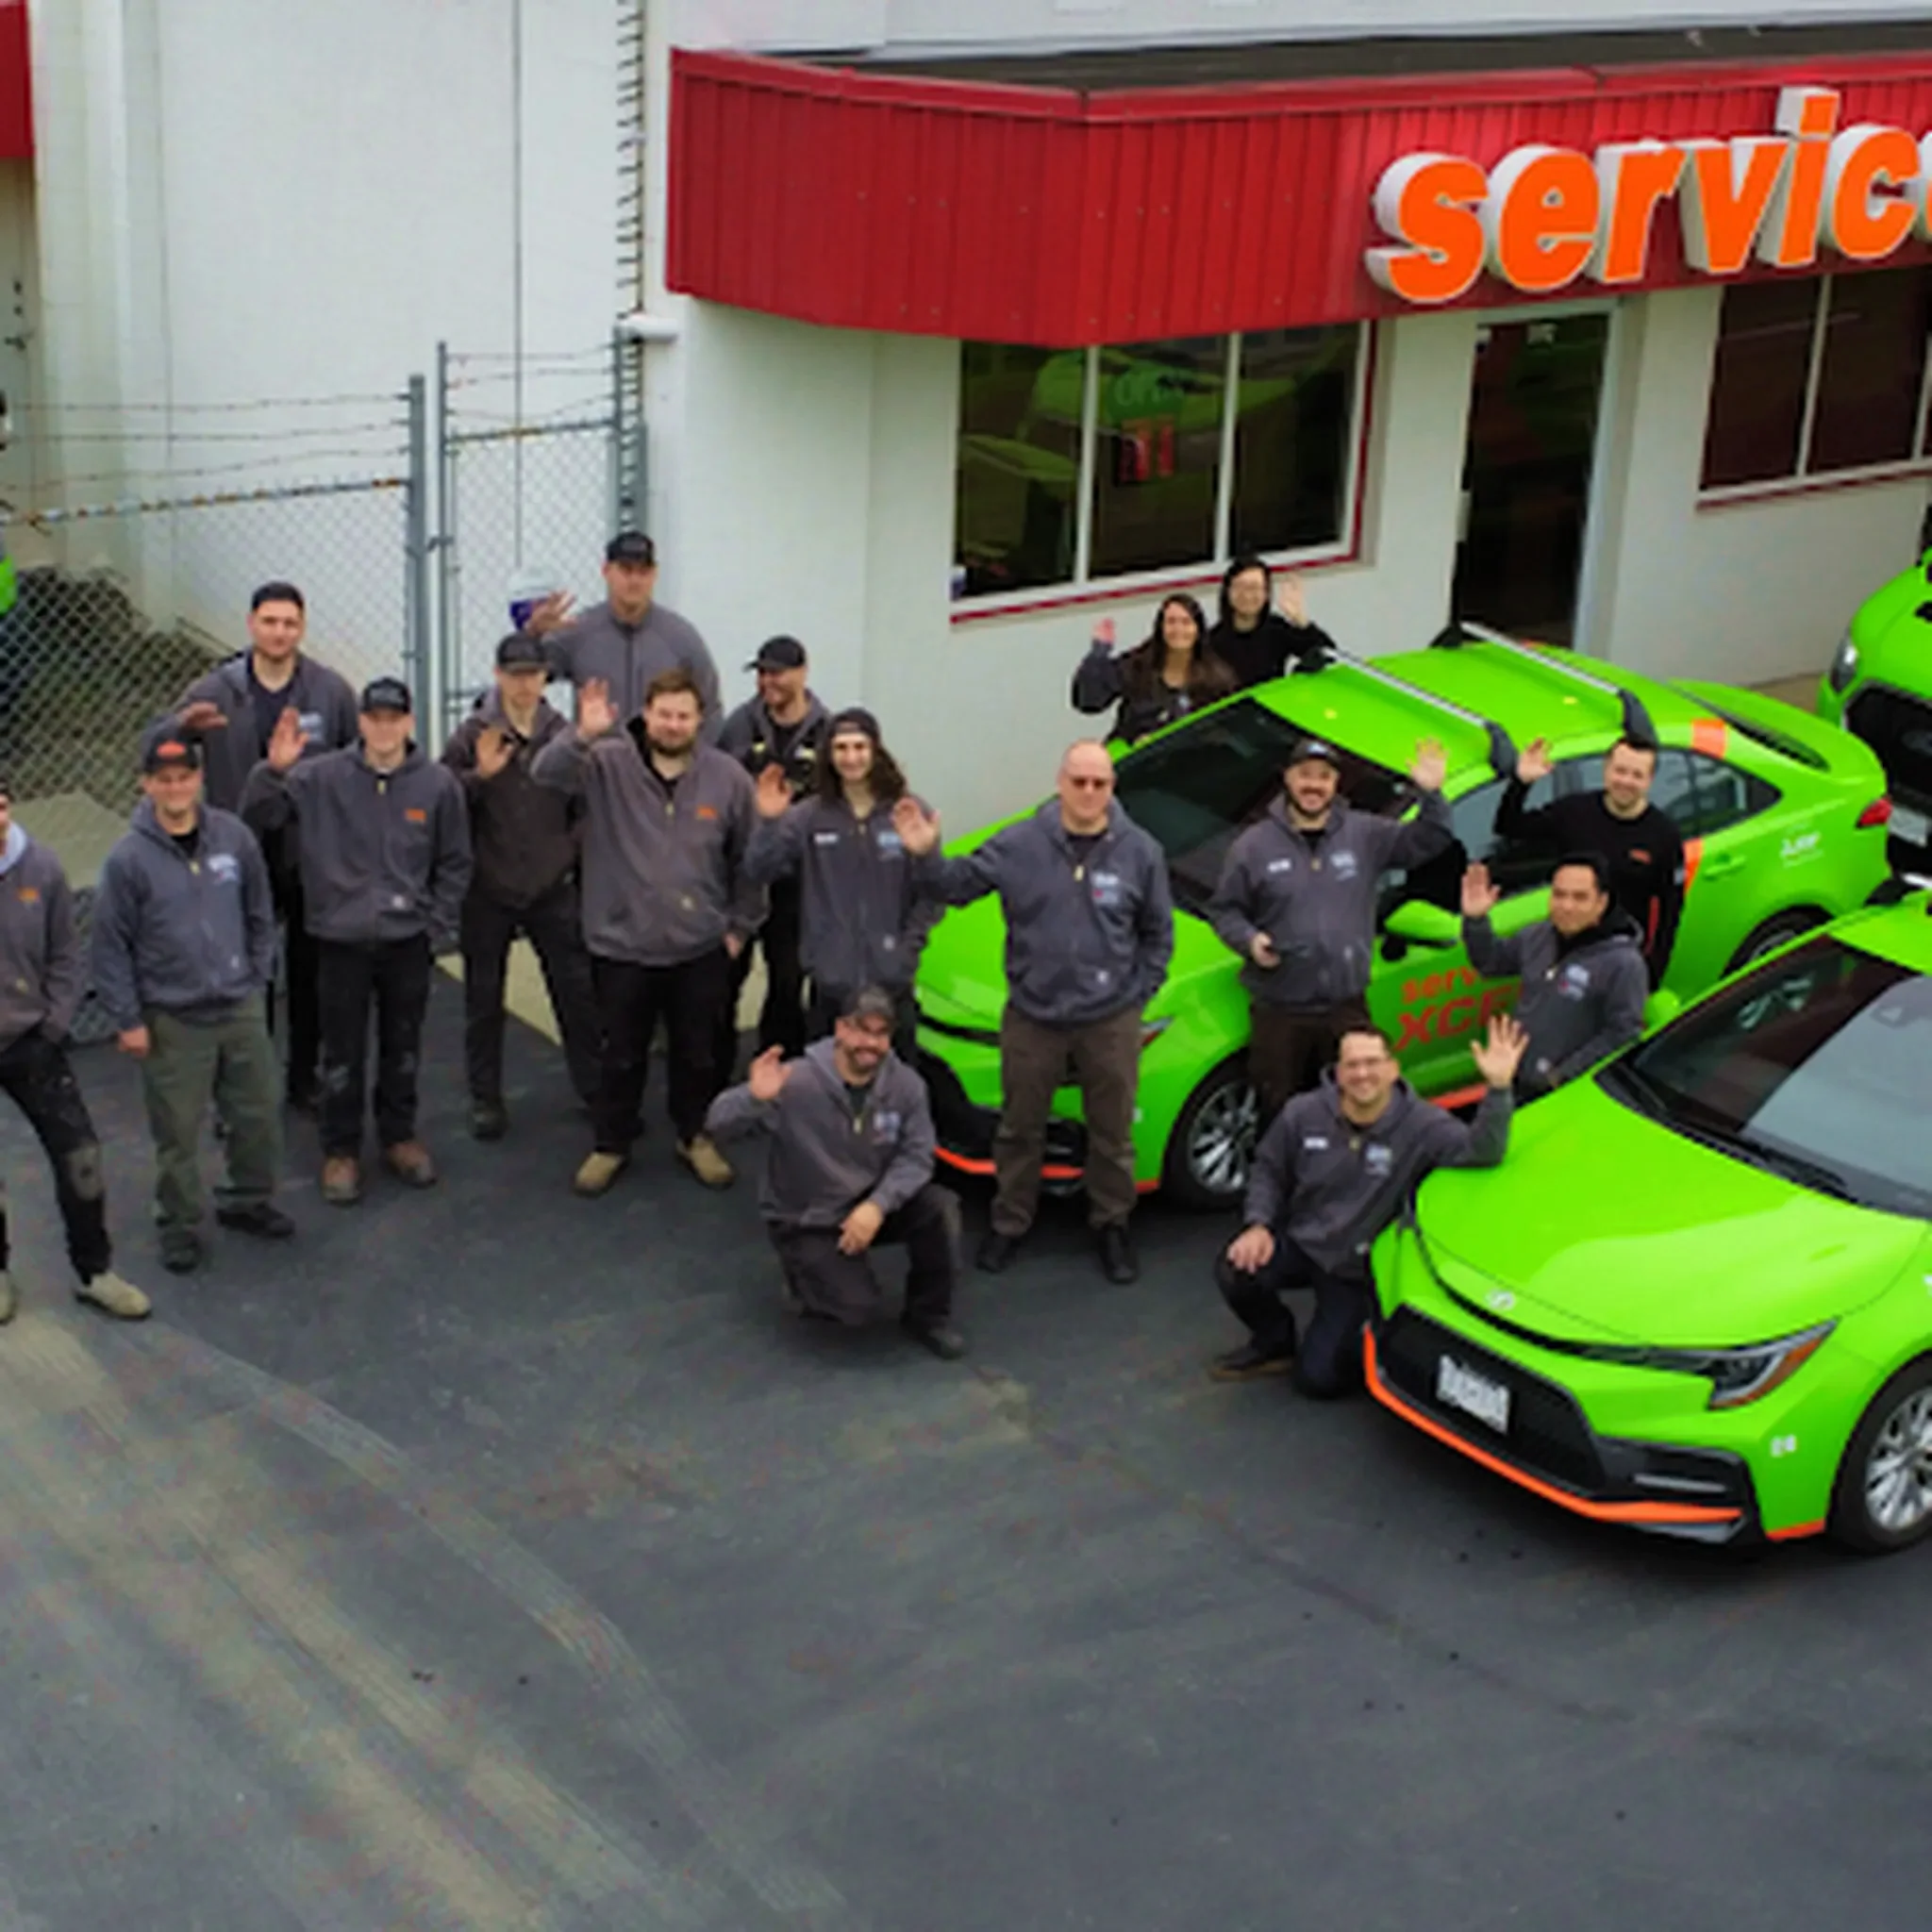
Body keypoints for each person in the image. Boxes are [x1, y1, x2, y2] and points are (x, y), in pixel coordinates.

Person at [894, 741, 1174, 1284]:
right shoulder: (1020, 843)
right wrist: (926, 854)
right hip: (1033, 1017)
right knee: (1020, 1128)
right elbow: (955, 887)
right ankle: (1011, 1220)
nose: (1088, 792)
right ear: (1060, 782)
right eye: (1079, 781)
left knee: (1113, 1133)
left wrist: (1136, 996)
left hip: (1110, 1021)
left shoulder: (1141, 853)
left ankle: (1111, 1222)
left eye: (1099, 783)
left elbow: (1158, 934)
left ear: (1112, 787)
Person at [242, 676, 472, 1205]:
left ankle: (399, 1136)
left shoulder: (438, 786)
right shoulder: (319, 777)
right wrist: (272, 771)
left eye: (394, 719)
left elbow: (456, 861)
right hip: (339, 941)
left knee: (403, 1046)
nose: (384, 729)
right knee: (341, 1051)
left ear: (410, 722)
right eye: (375, 719)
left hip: (406, 941)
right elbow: (258, 818)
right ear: (361, 722)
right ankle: (340, 1149)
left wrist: (435, 925)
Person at [533, 666, 761, 1197]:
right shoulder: (605, 763)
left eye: (683, 716)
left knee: (698, 1053)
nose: (673, 725)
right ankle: (611, 1143)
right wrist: (582, 733)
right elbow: (545, 775)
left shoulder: (728, 778)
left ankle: (694, 1135)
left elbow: (749, 861)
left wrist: (739, 927)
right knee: (620, 1053)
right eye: (664, 714)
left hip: (699, 945)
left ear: (700, 719)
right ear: (646, 714)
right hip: (621, 945)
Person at [1212, 1015, 1528, 1394]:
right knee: (1236, 1269)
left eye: (1372, 1063)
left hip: (1356, 1268)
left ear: (1393, 1069)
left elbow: (1483, 1152)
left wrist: (1498, 1088)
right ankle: (1274, 1342)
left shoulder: (1423, 1126)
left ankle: (1365, 1334)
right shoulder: (1303, 1113)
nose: (1362, 1074)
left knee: (1319, 1380)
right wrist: (1258, 1224)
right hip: (1304, 1242)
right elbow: (1268, 1168)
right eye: (1352, 1065)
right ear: (1338, 1072)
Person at [91, 724, 291, 1274]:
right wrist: (128, 1019)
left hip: (239, 1005)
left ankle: (248, 1199)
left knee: (257, 1112)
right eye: (164, 779)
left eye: (185, 777)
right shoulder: (128, 860)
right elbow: (110, 947)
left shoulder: (234, 838)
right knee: (177, 1131)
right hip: (173, 1018)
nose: (176, 788)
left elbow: (259, 910)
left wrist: (257, 975)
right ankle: (177, 1224)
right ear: (145, 784)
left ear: (200, 778)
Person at [175, 581, 359, 1112]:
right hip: (238, 853)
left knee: (309, 973)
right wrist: (178, 728)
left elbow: (355, 764)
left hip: (309, 854)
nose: (280, 632)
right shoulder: (215, 690)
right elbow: (159, 747)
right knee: (243, 978)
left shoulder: (330, 691)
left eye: (290, 623)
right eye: (270, 622)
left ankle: (305, 1079)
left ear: (302, 628)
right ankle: (243, 1089)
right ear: (251, 624)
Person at [705, 986, 967, 1359]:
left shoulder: (907, 1086)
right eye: (862, 1030)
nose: (870, 1043)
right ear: (841, 1029)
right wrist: (753, 1099)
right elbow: (717, 1125)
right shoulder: (795, 1080)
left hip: (867, 1204)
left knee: (940, 1208)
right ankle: (802, 1274)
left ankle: (929, 1317)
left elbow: (918, 1156)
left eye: (881, 1033)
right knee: (855, 1310)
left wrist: (877, 1205)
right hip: (807, 1216)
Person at [1208, 734, 1454, 1121]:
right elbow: (1225, 911)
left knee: (1357, 1105)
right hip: (1280, 1010)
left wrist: (1432, 794)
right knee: (1280, 1110)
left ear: (1337, 783)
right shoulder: (1253, 846)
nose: (1314, 785)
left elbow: (1429, 840)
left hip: (1346, 1007)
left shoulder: (1365, 834)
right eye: (1305, 774)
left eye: (1324, 776)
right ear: (1288, 778)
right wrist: (1250, 941)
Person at [0, 773, 150, 1323]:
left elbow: (66, 953)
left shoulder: (41, 867)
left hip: (32, 1042)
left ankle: (95, 1273)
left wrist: (54, 1026)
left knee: (80, 1157)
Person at [441, 632, 603, 1141]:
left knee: (575, 994)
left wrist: (568, 853)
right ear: (497, 675)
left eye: (533, 674)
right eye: (514, 674)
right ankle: (485, 1098)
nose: (524, 684)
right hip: (488, 889)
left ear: (545, 677)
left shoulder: (565, 735)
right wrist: (480, 777)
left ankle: (594, 1089)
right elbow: (444, 804)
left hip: (551, 887)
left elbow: (586, 807)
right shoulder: (472, 735)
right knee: (483, 999)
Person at [744, 707, 938, 1053]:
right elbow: (759, 869)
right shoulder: (810, 816)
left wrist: (907, 951)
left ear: (876, 751)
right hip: (830, 985)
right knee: (826, 1078)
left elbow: (933, 891)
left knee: (895, 1077)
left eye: (859, 747)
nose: (851, 758)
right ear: (829, 755)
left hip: (891, 983)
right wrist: (769, 823)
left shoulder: (908, 813)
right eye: (841, 748)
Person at [715, 635, 830, 1081]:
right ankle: (714, 1076)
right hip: (743, 877)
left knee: (787, 983)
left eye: (777, 673)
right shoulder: (738, 726)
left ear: (802, 673)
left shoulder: (828, 733)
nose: (768, 682)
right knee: (724, 981)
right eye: (762, 673)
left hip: (798, 885)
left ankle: (779, 1075)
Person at [1495, 735, 1686, 986]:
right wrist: (1521, 783)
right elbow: (1509, 826)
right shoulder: (1574, 812)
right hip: (1565, 951)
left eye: (1637, 775)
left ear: (1650, 780)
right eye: (1620, 771)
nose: (1626, 781)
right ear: (1606, 770)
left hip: (1620, 961)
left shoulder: (1664, 836)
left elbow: (1670, 911)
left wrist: (1652, 972)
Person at [1461, 855, 1648, 1101]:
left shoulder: (1624, 964)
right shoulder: (1537, 936)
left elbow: (1623, 1034)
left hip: (1566, 1094)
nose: (1566, 906)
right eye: (1559, 895)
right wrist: (1475, 921)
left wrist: (1561, 1076)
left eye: (1580, 897)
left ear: (1602, 902)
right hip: (1514, 1079)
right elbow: (1491, 963)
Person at [525, 530, 722, 730]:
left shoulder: (680, 638)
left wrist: (694, 749)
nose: (635, 581)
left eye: (643, 572)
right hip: (595, 748)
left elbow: (710, 709)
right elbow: (523, 680)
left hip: (661, 749)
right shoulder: (579, 631)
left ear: (655, 574)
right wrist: (533, 635)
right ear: (606, 571)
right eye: (626, 570)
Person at [1071, 593, 1236, 746]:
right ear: (1160, 628)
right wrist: (1098, 653)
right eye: (1171, 622)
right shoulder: (1137, 666)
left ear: (1198, 630)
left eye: (1186, 622)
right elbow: (1088, 700)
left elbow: (1228, 728)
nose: (1178, 629)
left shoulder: (1217, 679)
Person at [1208, 559, 1341, 690]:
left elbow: (1328, 654)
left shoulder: (1276, 629)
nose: (1248, 595)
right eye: (1241, 586)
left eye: (1255, 588)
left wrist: (1300, 620)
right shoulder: (1211, 641)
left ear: (1266, 594)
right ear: (1227, 591)